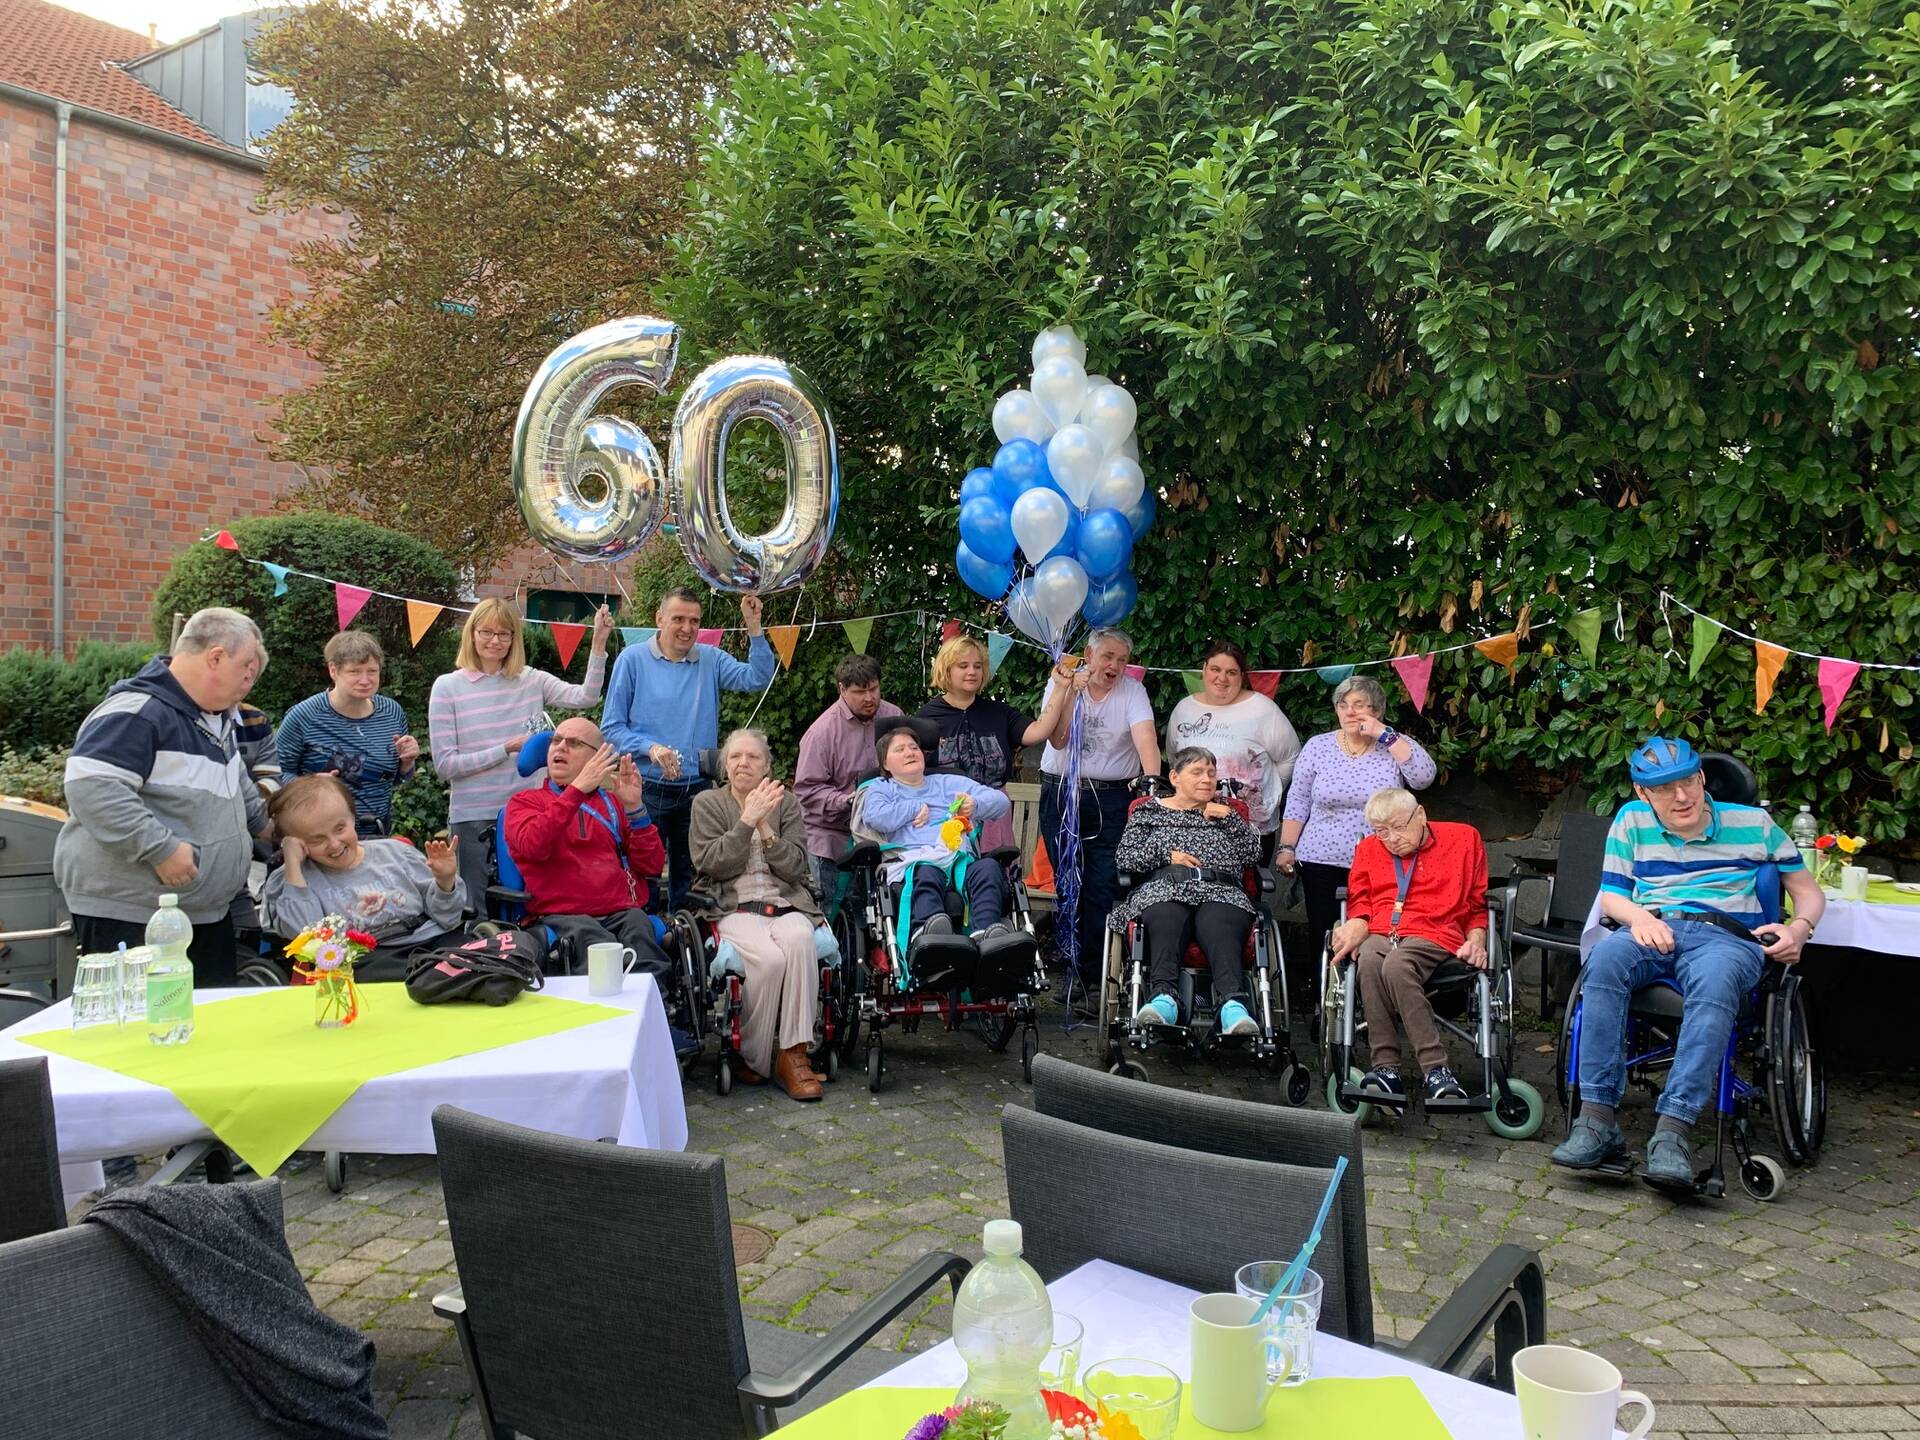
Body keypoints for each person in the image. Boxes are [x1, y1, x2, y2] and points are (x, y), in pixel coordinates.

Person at [1551, 737, 1822, 1188]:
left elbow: (1808, 892)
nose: (1681, 797)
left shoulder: (1754, 823)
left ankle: (1673, 1132)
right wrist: (1639, 918)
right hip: (1651, 926)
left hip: (1727, 937)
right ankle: (1597, 1121)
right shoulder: (1630, 821)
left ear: (1701, 777)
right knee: (1603, 962)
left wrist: (1799, 929)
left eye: (1687, 783)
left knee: (1716, 985)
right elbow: (1614, 897)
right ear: (1643, 794)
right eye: (1664, 789)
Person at [53, 607, 272, 985]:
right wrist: (159, 848)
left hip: (198, 913)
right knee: (145, 1031)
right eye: (247, 670)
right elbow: (92, 787)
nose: (250, 682)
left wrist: (290, 827)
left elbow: (245, 799)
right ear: (216, 657)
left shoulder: (215, 722)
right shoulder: (138, 712)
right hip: (136, 916)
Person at [428, 598, 612, 916]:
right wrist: (505, 749)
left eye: (504, 634)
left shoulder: (531, 679)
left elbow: (586, 697)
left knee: (532, 902)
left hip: (529, 814)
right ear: (471, 634)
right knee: (475, 907)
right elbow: (446, 765)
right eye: (486, 632)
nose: (495, 641)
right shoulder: (447, 687)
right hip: (474, 815)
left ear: (514, 639)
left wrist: (598, 642)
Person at [602, 587, 775, 909]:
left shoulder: (710, 658)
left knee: (693, 880)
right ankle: (649, 949)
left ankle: (688, 951)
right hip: (645, 790)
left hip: (698, 791)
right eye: (678, 619)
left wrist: (754, 626)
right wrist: (650, 747)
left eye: (694, 621)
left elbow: (757, 679)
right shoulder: (632, 659)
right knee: (644, 877)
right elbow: (611, 729)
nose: (687, 628)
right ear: (659, 619)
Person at [1276, 674, 1437, 1005]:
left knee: (1376, 930)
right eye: (1343, 705)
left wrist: (1383, 734)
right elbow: (1299, 800)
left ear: (1377, 710)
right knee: (1325, 930)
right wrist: (1287, 847)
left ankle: (1370, 1004)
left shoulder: (1392, 745)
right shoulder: (1319, 746)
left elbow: (1423, 778)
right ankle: (1328, 1005)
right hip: (1321, 856)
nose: (1350, 712)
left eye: (1360, 706)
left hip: (1381, 858)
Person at [689, 730, 827, 1102]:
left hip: (786, 903)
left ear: (767, 767)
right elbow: (710, 864)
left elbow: (797, 868)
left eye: (752, 757)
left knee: (800, 940)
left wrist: (767, 829)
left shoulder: (787, 804)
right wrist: (745, 822)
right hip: (734, 907)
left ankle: (794, 1054)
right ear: (725, 765)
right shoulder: (707, 803)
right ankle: (752, 1053)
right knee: (768, 961)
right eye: (735, 757)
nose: (743, 763)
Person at [1327, 788, 1489, 1103]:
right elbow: (1359, 897)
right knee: (1370, 960)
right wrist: (1358, 921)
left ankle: (1435, 1069)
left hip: (1436, 930)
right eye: (1381, 831)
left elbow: (1476, 902)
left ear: (1421, 815)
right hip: (1381, 929)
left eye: (1399, 827)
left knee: (1396, 964)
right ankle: (1386, 1068)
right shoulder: (1370, 848)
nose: (1392, 839)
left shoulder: (1464, 839)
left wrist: (1477, 938)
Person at [1038, 627, 1160, 1004]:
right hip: (1062, 789)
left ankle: (1095, 975)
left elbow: (1146, 740)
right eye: (1108, 657)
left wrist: (1152, 783)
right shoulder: (1061, 682)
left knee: (1102, 885)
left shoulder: (1133, 692)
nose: (1115, 666)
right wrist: (1070, 692)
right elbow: (1057, 740)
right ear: (1089, 656)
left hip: (1111, 797)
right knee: (1068, 881)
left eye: (1122, 660)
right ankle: (1071, 971)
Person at [502, 716, 671, 981]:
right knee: (597, 945)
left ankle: (654, 1013)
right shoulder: (524, 802)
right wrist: (577, 790)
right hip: (562, 916)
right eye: (556, 741)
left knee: (642, 939)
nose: (560, 747)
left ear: (597, 758)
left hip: (621, 912)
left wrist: (636, 809)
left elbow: (651, 865)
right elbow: (533, 845)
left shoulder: (614, 803)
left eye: (573, 743)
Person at [1109, 747, 1262, 1036]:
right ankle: (1163, 999)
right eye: (1197, 772)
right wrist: (1166, 854)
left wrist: (1229, 819)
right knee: (1166, 916)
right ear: (1175, 777)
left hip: (1221, 889)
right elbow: (1125, 858)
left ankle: (1233, 1006)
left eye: (1211, 773)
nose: (1207, 779)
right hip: (1166, 887)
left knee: (1220, 923)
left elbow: (1252, 856)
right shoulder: (1148, 811)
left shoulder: (1228, 813)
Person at [263, 775, 469, 980]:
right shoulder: (294, 880)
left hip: (432, 941)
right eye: (317, 840)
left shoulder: (396, 854)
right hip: (369, 960)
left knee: (480, 955)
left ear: (353, 817)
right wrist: (292, 864)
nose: (334, 844)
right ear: (296, 843)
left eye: (340, 828)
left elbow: (447, 919)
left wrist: (445, 881)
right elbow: (307, 940)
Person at [914, 633, 1077, 853]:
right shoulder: (925, 718)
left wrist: (1060, 688)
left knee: (995, 879)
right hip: (945, 817)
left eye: (978, 666)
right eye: (963, 665)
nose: (972, 672)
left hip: (993, 814)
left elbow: (1038, 732)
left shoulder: (999, 712)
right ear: (946, 669)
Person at [858, 717, 1015, 945]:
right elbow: (875, 816)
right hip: (916, 861)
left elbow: (1000, 801)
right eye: (900, 750)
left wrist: (975, 805)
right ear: (885, 764)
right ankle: (928, 930)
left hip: (959, 860)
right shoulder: (881, 787)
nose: (910, 753)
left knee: (989, 867)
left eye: (914, 748)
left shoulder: (948, 782)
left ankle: (986, 935)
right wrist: (913, 807)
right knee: (926, 870)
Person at [1164, 639, 1301, 860]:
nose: (1222, 678)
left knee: (1248, 888)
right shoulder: (1184, 709)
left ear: (1242, 676)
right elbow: (1175, 758)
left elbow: (1291, 757)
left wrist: (1269, 795)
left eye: (1232, 672)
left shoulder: (1262, 708)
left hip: (1250, 826)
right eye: (1216, 669)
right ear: (1204, 670)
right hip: (1192, 824)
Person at [274, 630, 418, 836]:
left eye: (372, 671)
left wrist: (407, 763)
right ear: (333, 670)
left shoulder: (392, 712)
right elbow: (276, 774)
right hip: (319, 835)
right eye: (355, 672)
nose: (365, 680)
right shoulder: (303, 716)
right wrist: (310, 785)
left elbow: (395, 778)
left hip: (376, 833)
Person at [794, 653, 901, 905]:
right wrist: (846, 801)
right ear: (842, 689)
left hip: (883, 836)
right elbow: (807, 791)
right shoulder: (821, 733)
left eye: (874, 689)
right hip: (833, 838)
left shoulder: (893, 716)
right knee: (832, 912)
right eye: (859, 692)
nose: (869, 698)